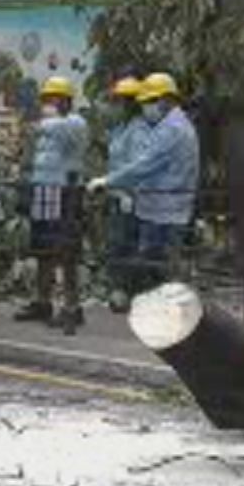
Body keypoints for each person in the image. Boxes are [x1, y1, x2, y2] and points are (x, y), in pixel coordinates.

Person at [88, 71, 199, 298]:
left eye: (151, 101)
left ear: (168, 99)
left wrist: (107, 181)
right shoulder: (165, 126)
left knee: (155, 263)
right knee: (150, 260)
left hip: (163, 206)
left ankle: (160, 310)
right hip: (156, 205)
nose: (145, 106)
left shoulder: (172, 129)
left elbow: (144, 165)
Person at [16, 76, 89, 333]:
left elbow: (55, 128)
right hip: (44, 193)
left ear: (67, 100)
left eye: (54, 97)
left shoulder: (75, 122)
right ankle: (42, 302)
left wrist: (40, 122)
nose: (49, 102)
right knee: (43, 252)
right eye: (46, 98)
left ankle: (71, 307)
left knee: (66, 253)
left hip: (66, 195)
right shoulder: (48, 129)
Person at [98, 75, 145, 312]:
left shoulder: (138, 130)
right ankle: (119, 290)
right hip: (116, 195)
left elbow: (136, 167)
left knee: (127, 244)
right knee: (116, 243)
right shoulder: (119, 129)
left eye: (119, 101)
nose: (114, 105)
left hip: (131, 198)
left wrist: (129, 194)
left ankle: (127, 292)